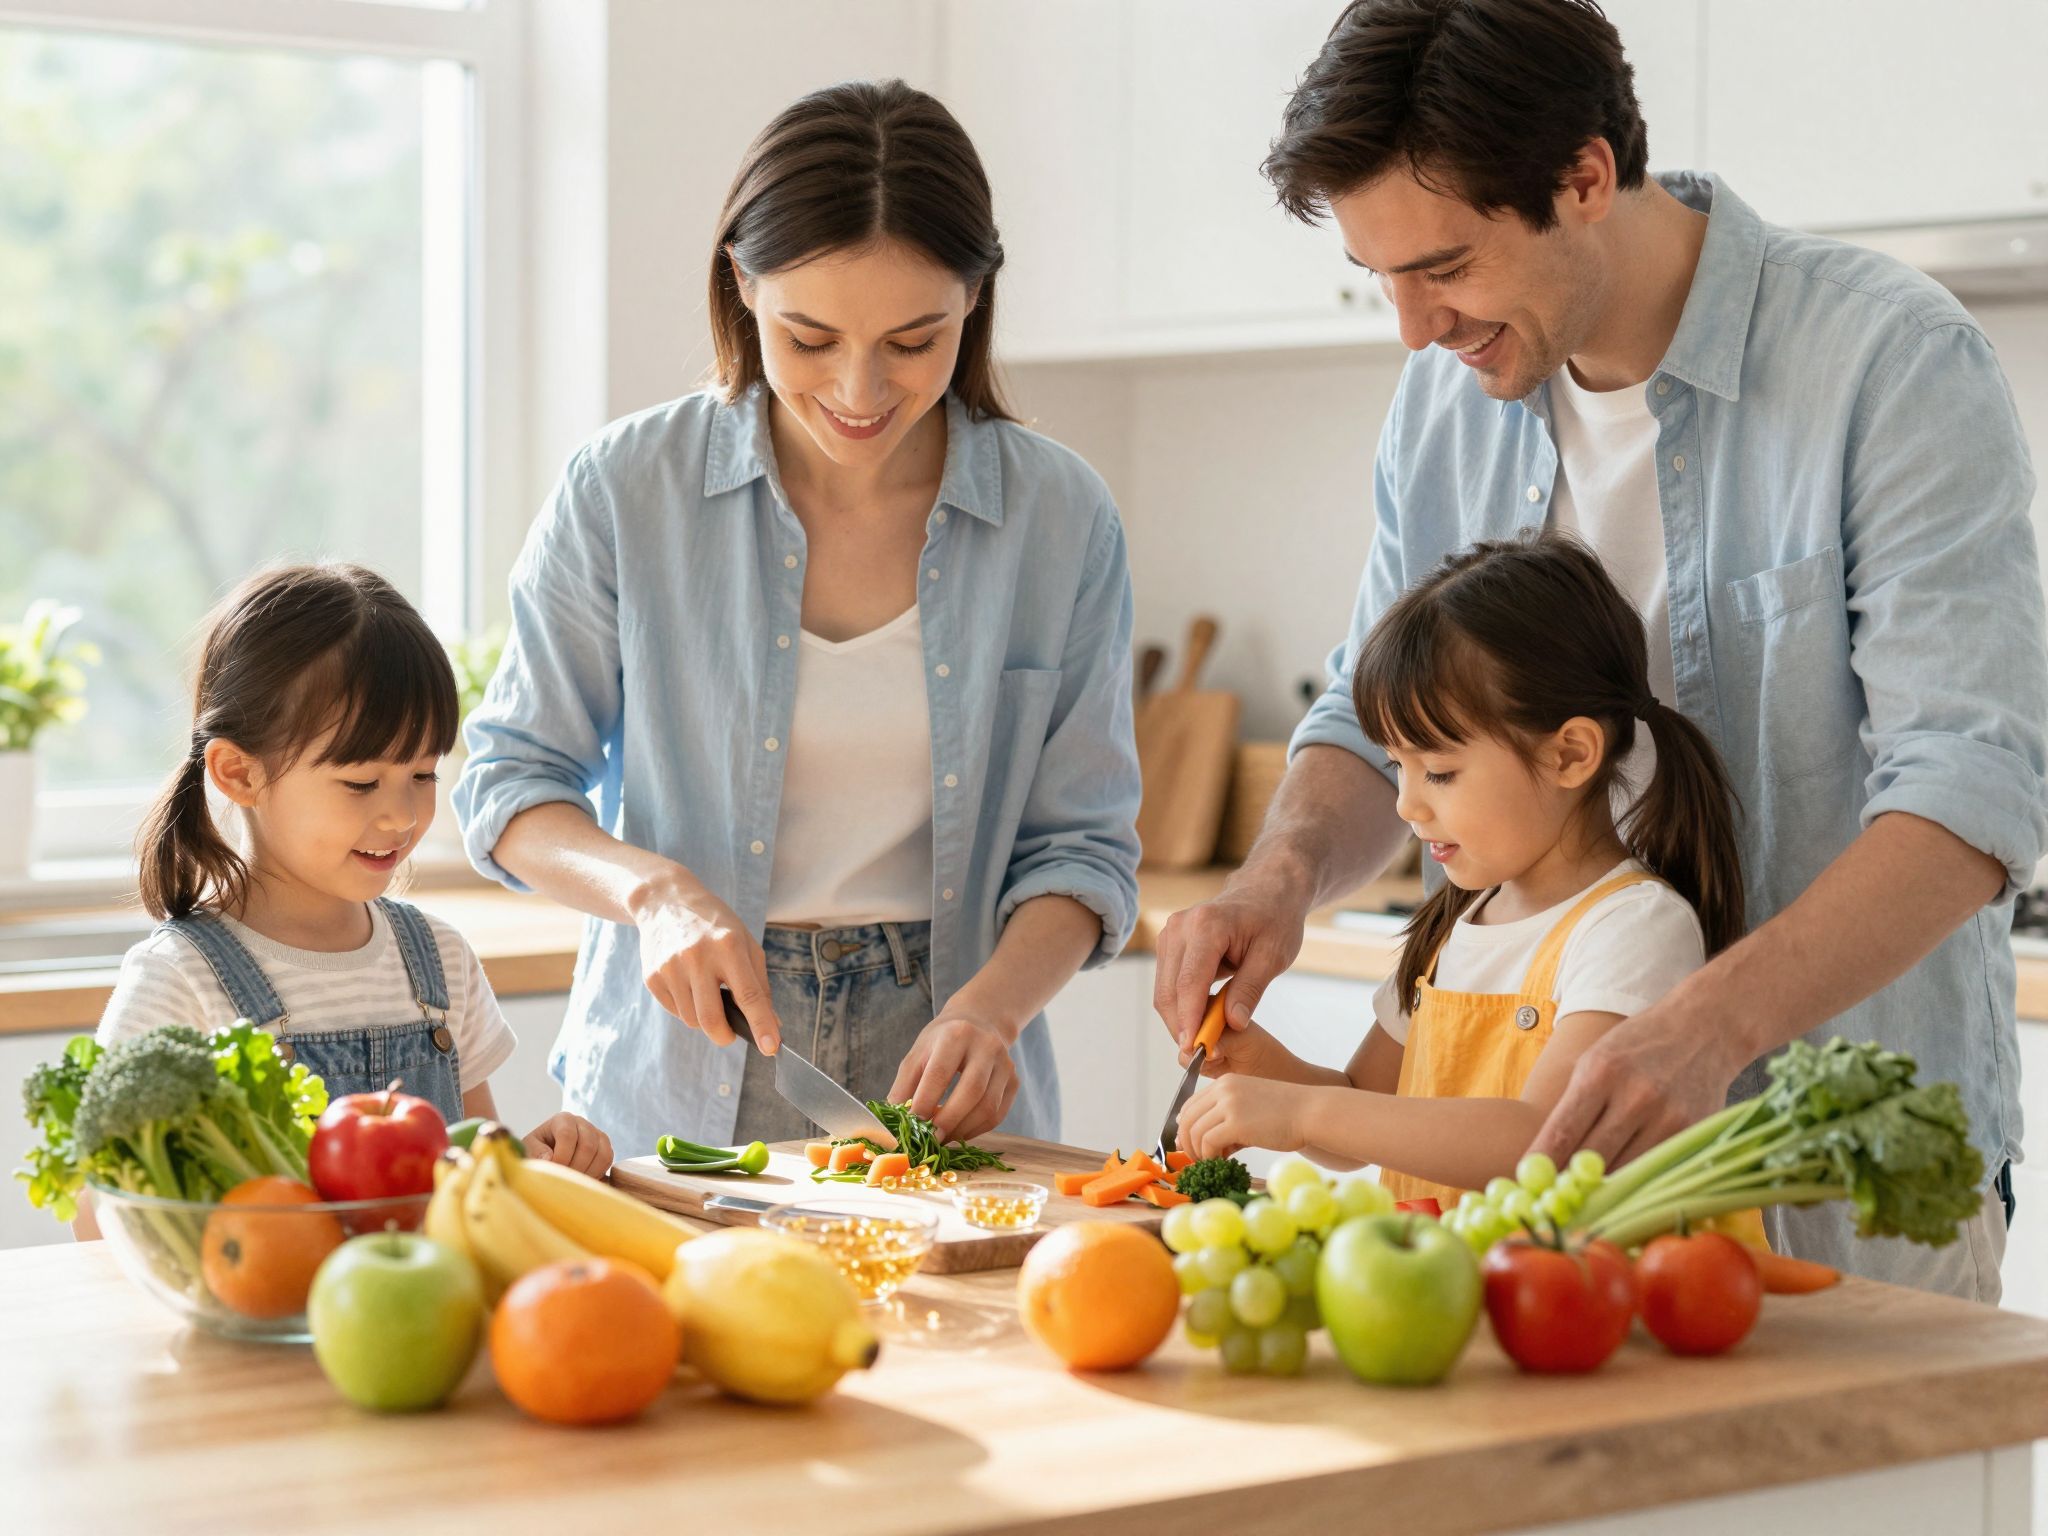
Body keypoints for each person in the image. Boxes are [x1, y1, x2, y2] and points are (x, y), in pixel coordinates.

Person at [1156, 0, 2044, 1299]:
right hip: (1530, 1233)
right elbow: (1363, 718)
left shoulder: (1886, 362)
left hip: (1821, 1160)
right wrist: (1275, 882)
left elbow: (1971, 793)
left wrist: (1704, 1027)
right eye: (1379, 276)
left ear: (1583, 177)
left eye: (1443, 266)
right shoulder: (1445, 404)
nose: (1412, 327)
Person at [455, 80, 1141, 1161]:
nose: (860, 391)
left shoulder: (1059, 516)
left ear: (975, 298)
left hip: (947, 1074)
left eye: (913, 341)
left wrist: (992, 1010)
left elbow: (1083, 850)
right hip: (676, 1065)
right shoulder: (625, 489)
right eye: (809, 338)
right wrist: (657, 896)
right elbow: (508, 787)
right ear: (742, 284)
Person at [1176, 532, 1748, 1213]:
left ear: (1570, 754)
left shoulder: (1634, 929)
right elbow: (1361, 1110)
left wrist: (1301, 1113)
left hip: (1573, 1280)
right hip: (1449, 1277)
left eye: (1440, 772)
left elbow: (1545, 1141)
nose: (1406, 805)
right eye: (1398, 766)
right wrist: (1258, 1065)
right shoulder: (1456, 923)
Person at [89, 563, 609, 1240]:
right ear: (239, 773)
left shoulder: (441, 961)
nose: (402, 816)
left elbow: (476, 1180)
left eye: (423, 773)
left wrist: (532, 1162)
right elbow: (99, 1219)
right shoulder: (179, 982)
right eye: (361, 783)